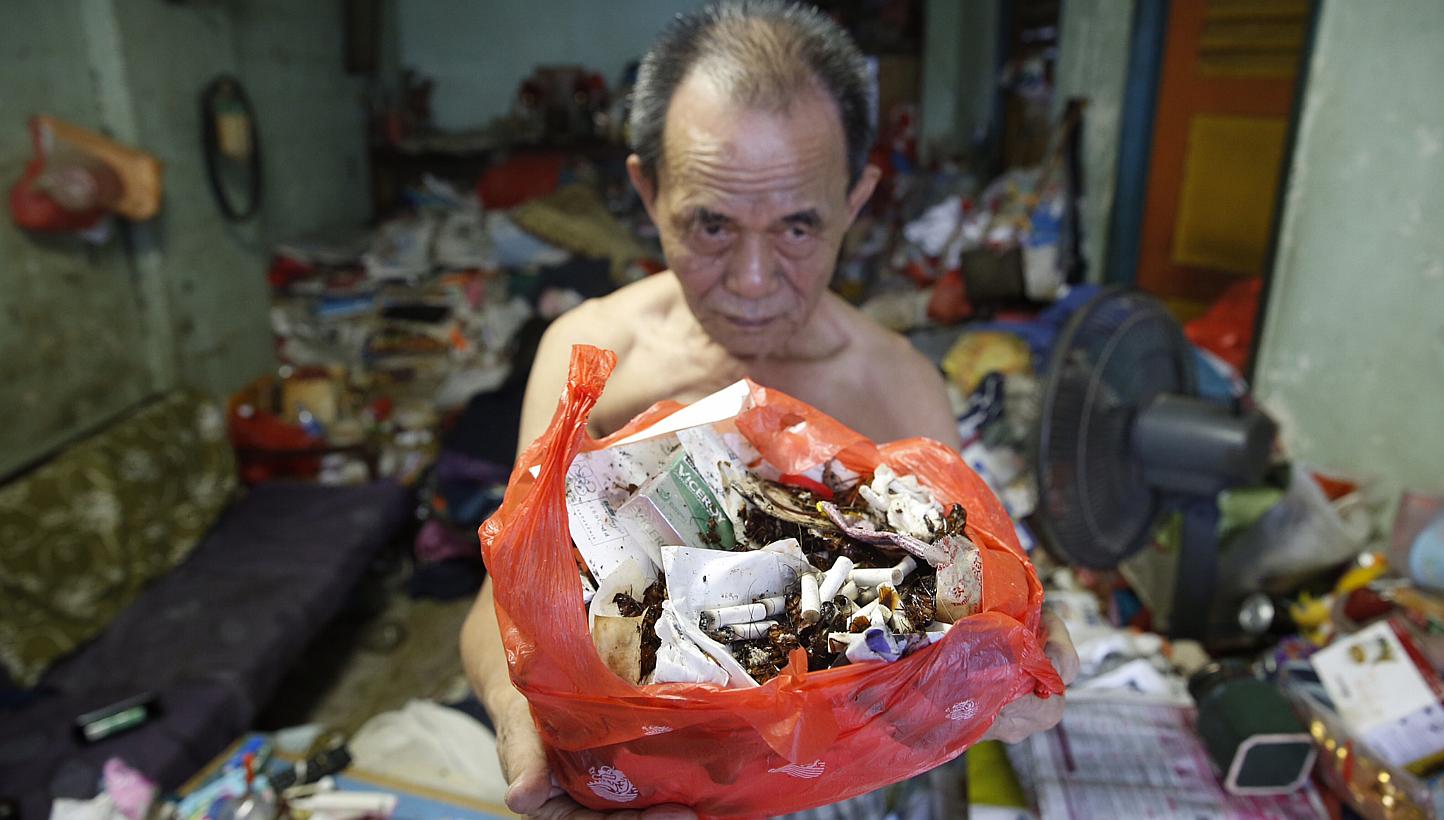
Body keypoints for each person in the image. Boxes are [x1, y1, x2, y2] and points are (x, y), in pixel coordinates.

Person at [460, 3, 1080, 817]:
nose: (752, 280)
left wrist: (1003, 663)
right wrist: (524, 722)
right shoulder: (594, 363)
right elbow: (501, 596)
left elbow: (950, 616)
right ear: (648, 190)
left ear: (855, 200)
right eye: (710, 224)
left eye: (797, 227)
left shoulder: (895, 390)